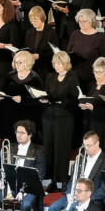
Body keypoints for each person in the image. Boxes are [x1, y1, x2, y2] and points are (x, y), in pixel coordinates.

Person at [45, 131, 105, 211]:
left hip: (94, 199)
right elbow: (72, 179)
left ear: (97, 143)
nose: (86, 149)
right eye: (84, 145)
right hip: (75, 195)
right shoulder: (81, 159)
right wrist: (68, 193)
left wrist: (86, 197)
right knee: (53, 209)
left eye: (89, 146)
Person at [40, 51, 79, 188]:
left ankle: (63, 180)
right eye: (55, 64)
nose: (57, 66)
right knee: (49, 147)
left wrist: (62, 102)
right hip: (49, 117)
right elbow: (46, 92)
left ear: (65, 64)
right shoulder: (50, 77)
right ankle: (51, 180)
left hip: (64, 118)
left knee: (61, 148)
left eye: (59, 64)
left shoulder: (72, 78)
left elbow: (75, 99)